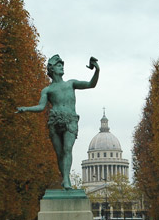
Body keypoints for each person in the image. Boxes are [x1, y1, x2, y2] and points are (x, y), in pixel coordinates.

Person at [17, 55, 100, 190]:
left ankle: (66, 179)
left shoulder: (71, 84)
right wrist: (26, 108)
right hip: (54, 121)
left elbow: (91, 84)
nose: (62, 66)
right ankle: (65, 178)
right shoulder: (47, 90)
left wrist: (97, 70)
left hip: (70, 120)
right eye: (58, 65)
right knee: (59, 153)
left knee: (67, 149)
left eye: (62, 64)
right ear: (52, 69)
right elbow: (40, 107)